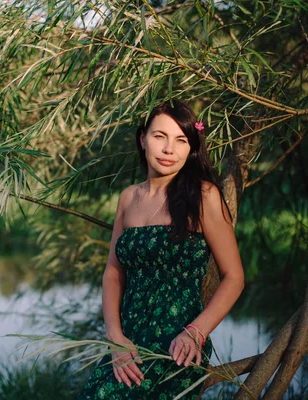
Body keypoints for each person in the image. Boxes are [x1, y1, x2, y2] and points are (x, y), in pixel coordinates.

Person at [76, 100, 245, 399]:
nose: (169, 149)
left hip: (177, 343)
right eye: (160, 137)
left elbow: (233, 276)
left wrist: (196, 332)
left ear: (190, 147)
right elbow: (113, 275)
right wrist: (115, 337)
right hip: (128, 341)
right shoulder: (128, 198)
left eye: (181, 140)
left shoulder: (203, 195)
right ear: (143, 139)